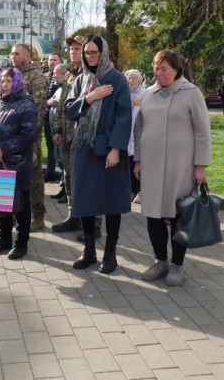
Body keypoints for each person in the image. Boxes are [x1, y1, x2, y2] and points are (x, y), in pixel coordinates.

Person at [134, 51, 212, 286]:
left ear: (177, 69)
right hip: (152, 165)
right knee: (153, 215)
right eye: (156, 68)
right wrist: (137, 160)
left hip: (181, 167)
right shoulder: (149, 94)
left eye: (164, 68)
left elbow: (203, 131)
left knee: (179, 215)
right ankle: (160, 261)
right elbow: (138, 130)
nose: (159, 73)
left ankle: (177, 265)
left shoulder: (191, 93)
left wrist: (200, 166)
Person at [64, 34, 132, 274]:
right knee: (85, 200)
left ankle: (110, 254)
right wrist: (90, 97)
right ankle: (89, 251)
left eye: (94, 52)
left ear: (103, 53)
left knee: (111, 202)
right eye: (86, 53)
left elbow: (124, 117)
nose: (90, 57)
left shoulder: (117, 79)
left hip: (108, 151)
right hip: (84, 148)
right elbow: (69, 110)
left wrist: (115, 149)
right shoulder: (81, 79)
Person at [0, 67, 39, 259]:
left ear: (18, 82)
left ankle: (21, 243)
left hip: (16, 163)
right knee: (0, 201)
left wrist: (5, 148)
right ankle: (3, 239)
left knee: (20, 204)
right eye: (2, 80)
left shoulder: (25, 104)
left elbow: (29, 135)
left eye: (9, 81)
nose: (4, 84)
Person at [10, 44, 48, 231]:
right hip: (11, 137)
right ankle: (16, 212)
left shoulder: (37, 77)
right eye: (11, 54)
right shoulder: (12, 74)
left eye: (16, 53)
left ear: (27, 56)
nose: (13, 56)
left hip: (28, 137)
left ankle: (38, 216)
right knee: (15, 176)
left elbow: (40, 108)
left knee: (33, 176)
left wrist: (31, 134)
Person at [50, 36, 85, 234]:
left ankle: (93, 223)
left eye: (77, 48)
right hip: (66, 136)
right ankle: (74, 217)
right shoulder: (70, 74)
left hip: (82, 137)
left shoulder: (92, 74)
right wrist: (57, 129)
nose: (73, 51)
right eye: (71, 48)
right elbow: (63, 104)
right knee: (69, 177)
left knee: (86, 181)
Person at [125, 69, 146, 203]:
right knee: (128, 163)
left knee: (139, 162)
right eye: (129, 78)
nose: (131, 80)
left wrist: (141, 103)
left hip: (139, 134)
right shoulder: (124, 93)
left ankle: (140, 191)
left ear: (139, 80)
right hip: (127, 134)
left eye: (133, 78)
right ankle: (131, 190)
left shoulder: (145, 93)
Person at [43, 52, 63, 182]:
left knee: (59, 146)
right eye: (50, 60)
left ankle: (62, 175)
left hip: (58, 116)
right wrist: (47, 102)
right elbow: (41, 96)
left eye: (55, 60)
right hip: (46, 115)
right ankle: (50, 171)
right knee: (50, 145)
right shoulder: (44, 76)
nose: (52, 62)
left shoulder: (63, 76)